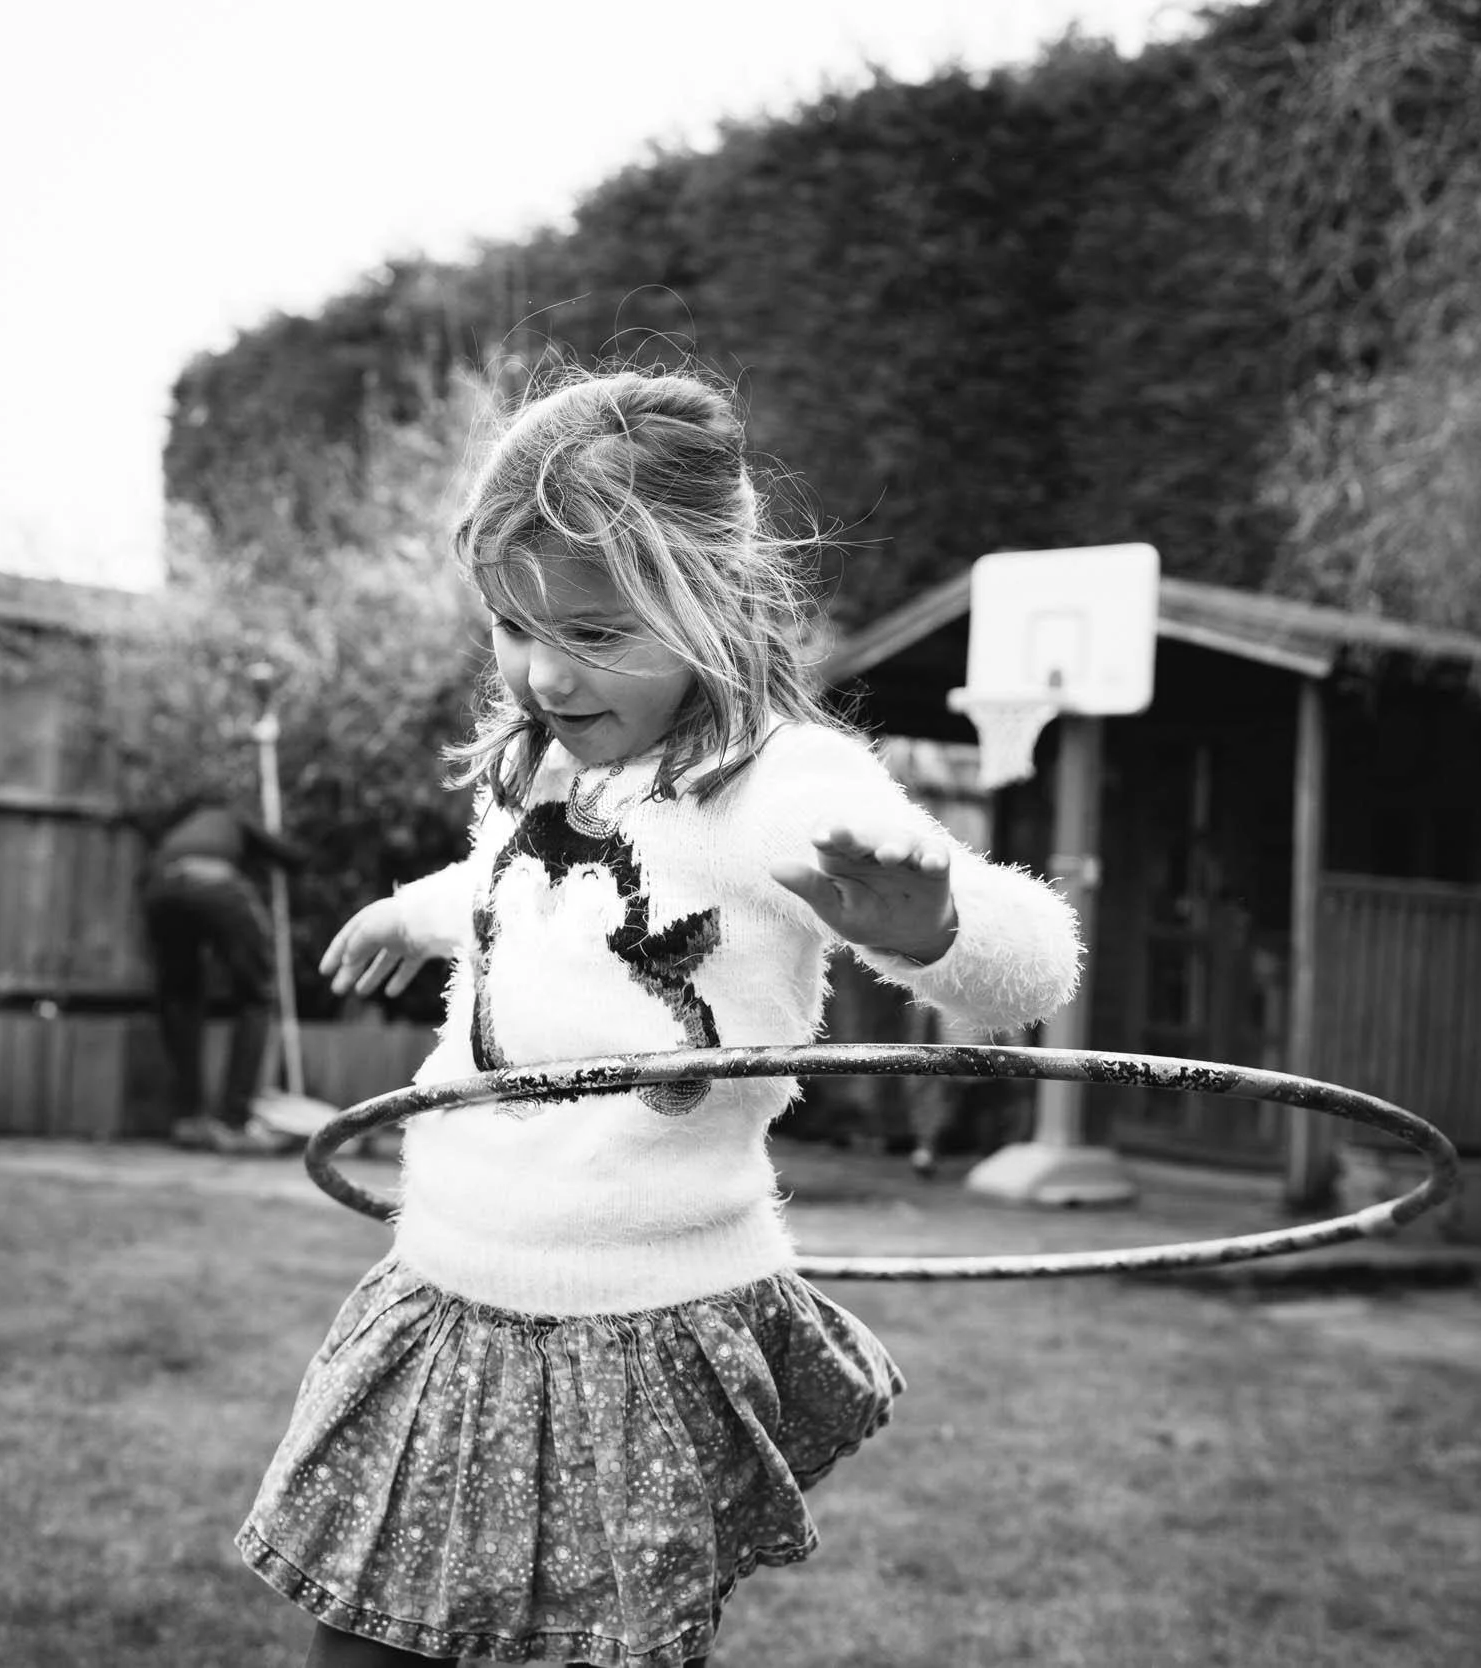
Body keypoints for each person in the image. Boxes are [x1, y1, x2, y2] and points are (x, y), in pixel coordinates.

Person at [236, 368, 1083, 1667]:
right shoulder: (558, 758)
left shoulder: (776, 785)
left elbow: (1032, 966)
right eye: (512, 628)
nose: (539, 672)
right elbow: (525, 894)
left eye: (590, 631)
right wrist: (417, 910)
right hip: (447, 1283)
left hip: (623, 1330)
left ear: (710, 596)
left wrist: (931, 929)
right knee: (363, 1641)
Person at [127, 791, 315, 1156]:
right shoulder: (230, 816)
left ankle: (189, 1119)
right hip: (215, 886)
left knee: (180, 998)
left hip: (160, 889)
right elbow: (292, 857)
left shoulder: (175, 831)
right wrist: (286, 857)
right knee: (256, 996)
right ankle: (234, 1121)